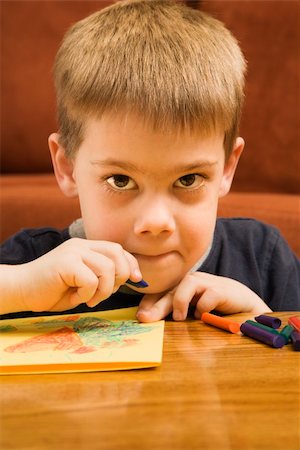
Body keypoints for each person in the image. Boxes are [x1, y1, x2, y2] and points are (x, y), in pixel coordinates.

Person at [1, 0, 299, 321]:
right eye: (120, 180)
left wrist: (266, 319)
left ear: (227, 168)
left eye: (188, 179)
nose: (156, 222)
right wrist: (19, 288)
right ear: (68, 167)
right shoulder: (31, 265)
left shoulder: (262, 257)